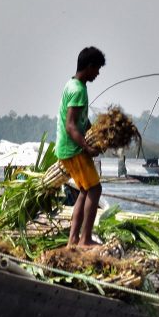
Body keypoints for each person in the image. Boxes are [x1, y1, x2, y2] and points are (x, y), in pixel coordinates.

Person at [56, 46, 105, 247]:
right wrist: (87, 147)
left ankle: (73, 240)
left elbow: (82, 122)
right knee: (95, 189)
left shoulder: (73, 84)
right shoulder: (78, 90)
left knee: (85, 191)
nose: (98, 73)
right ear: (89, 66)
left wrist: (97, 134)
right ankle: (85, 239)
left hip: (68, 149)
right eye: (97, 69)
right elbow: (70, 125)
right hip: (73, 149)